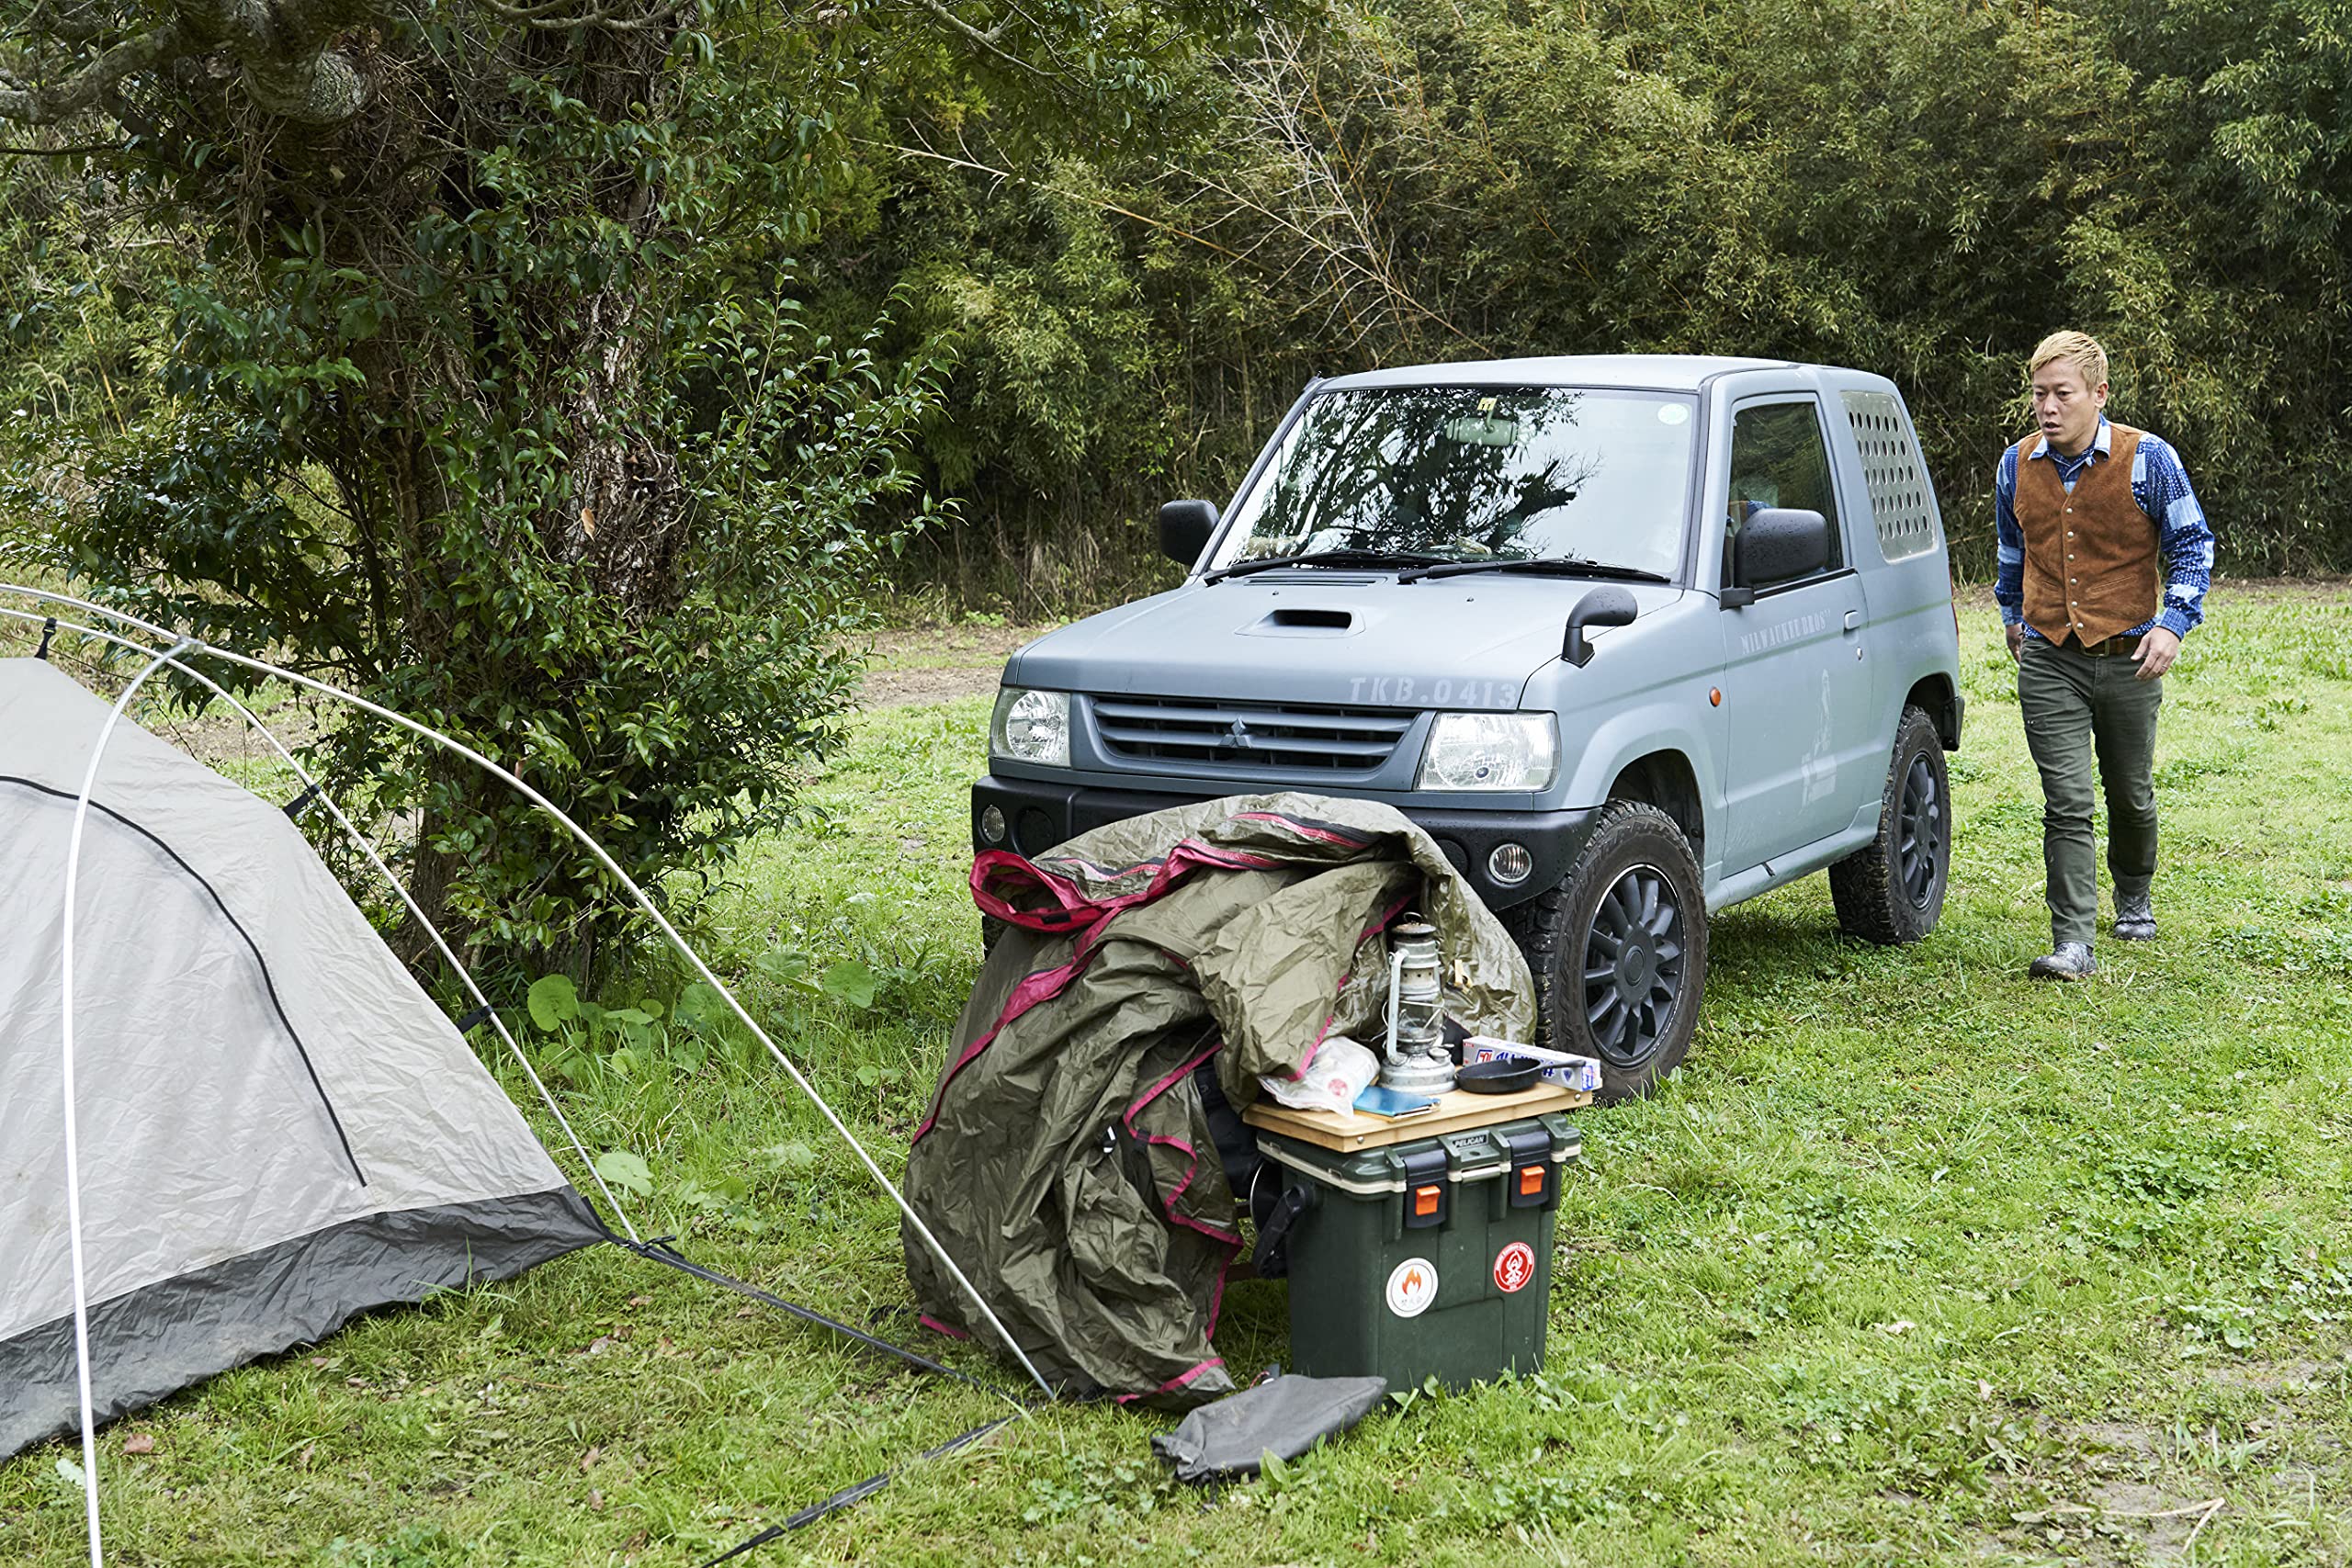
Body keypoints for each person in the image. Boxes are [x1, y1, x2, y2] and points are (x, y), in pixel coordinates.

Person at [1994, 331, 2214, 979]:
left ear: (2099, 393)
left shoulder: (2148, 460)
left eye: (2062, 393)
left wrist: (2172, 625)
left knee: (2132, 793)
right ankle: (2072, 942)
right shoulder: (2016, 464)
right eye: (2039, 394)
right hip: (2049, 655)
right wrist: (2013, 615)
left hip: (2130, 656)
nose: (2048, 407)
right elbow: (2013, 549)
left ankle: (2135, 892)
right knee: (2066, 799)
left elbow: (2194, 547)